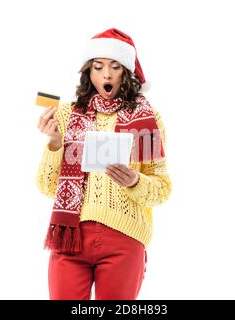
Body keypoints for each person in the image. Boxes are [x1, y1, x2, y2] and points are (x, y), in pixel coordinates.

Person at [36, 28, 172, 300]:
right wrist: (54, 144)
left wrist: (135, 181)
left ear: (127, 73)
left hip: (124, 236)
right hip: (70, 237)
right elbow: (46, 187)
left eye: (115, 67)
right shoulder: (67, 114)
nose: (106, 75)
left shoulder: (146, 118)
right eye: (98, 67)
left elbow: (162, 188)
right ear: (89, 72)